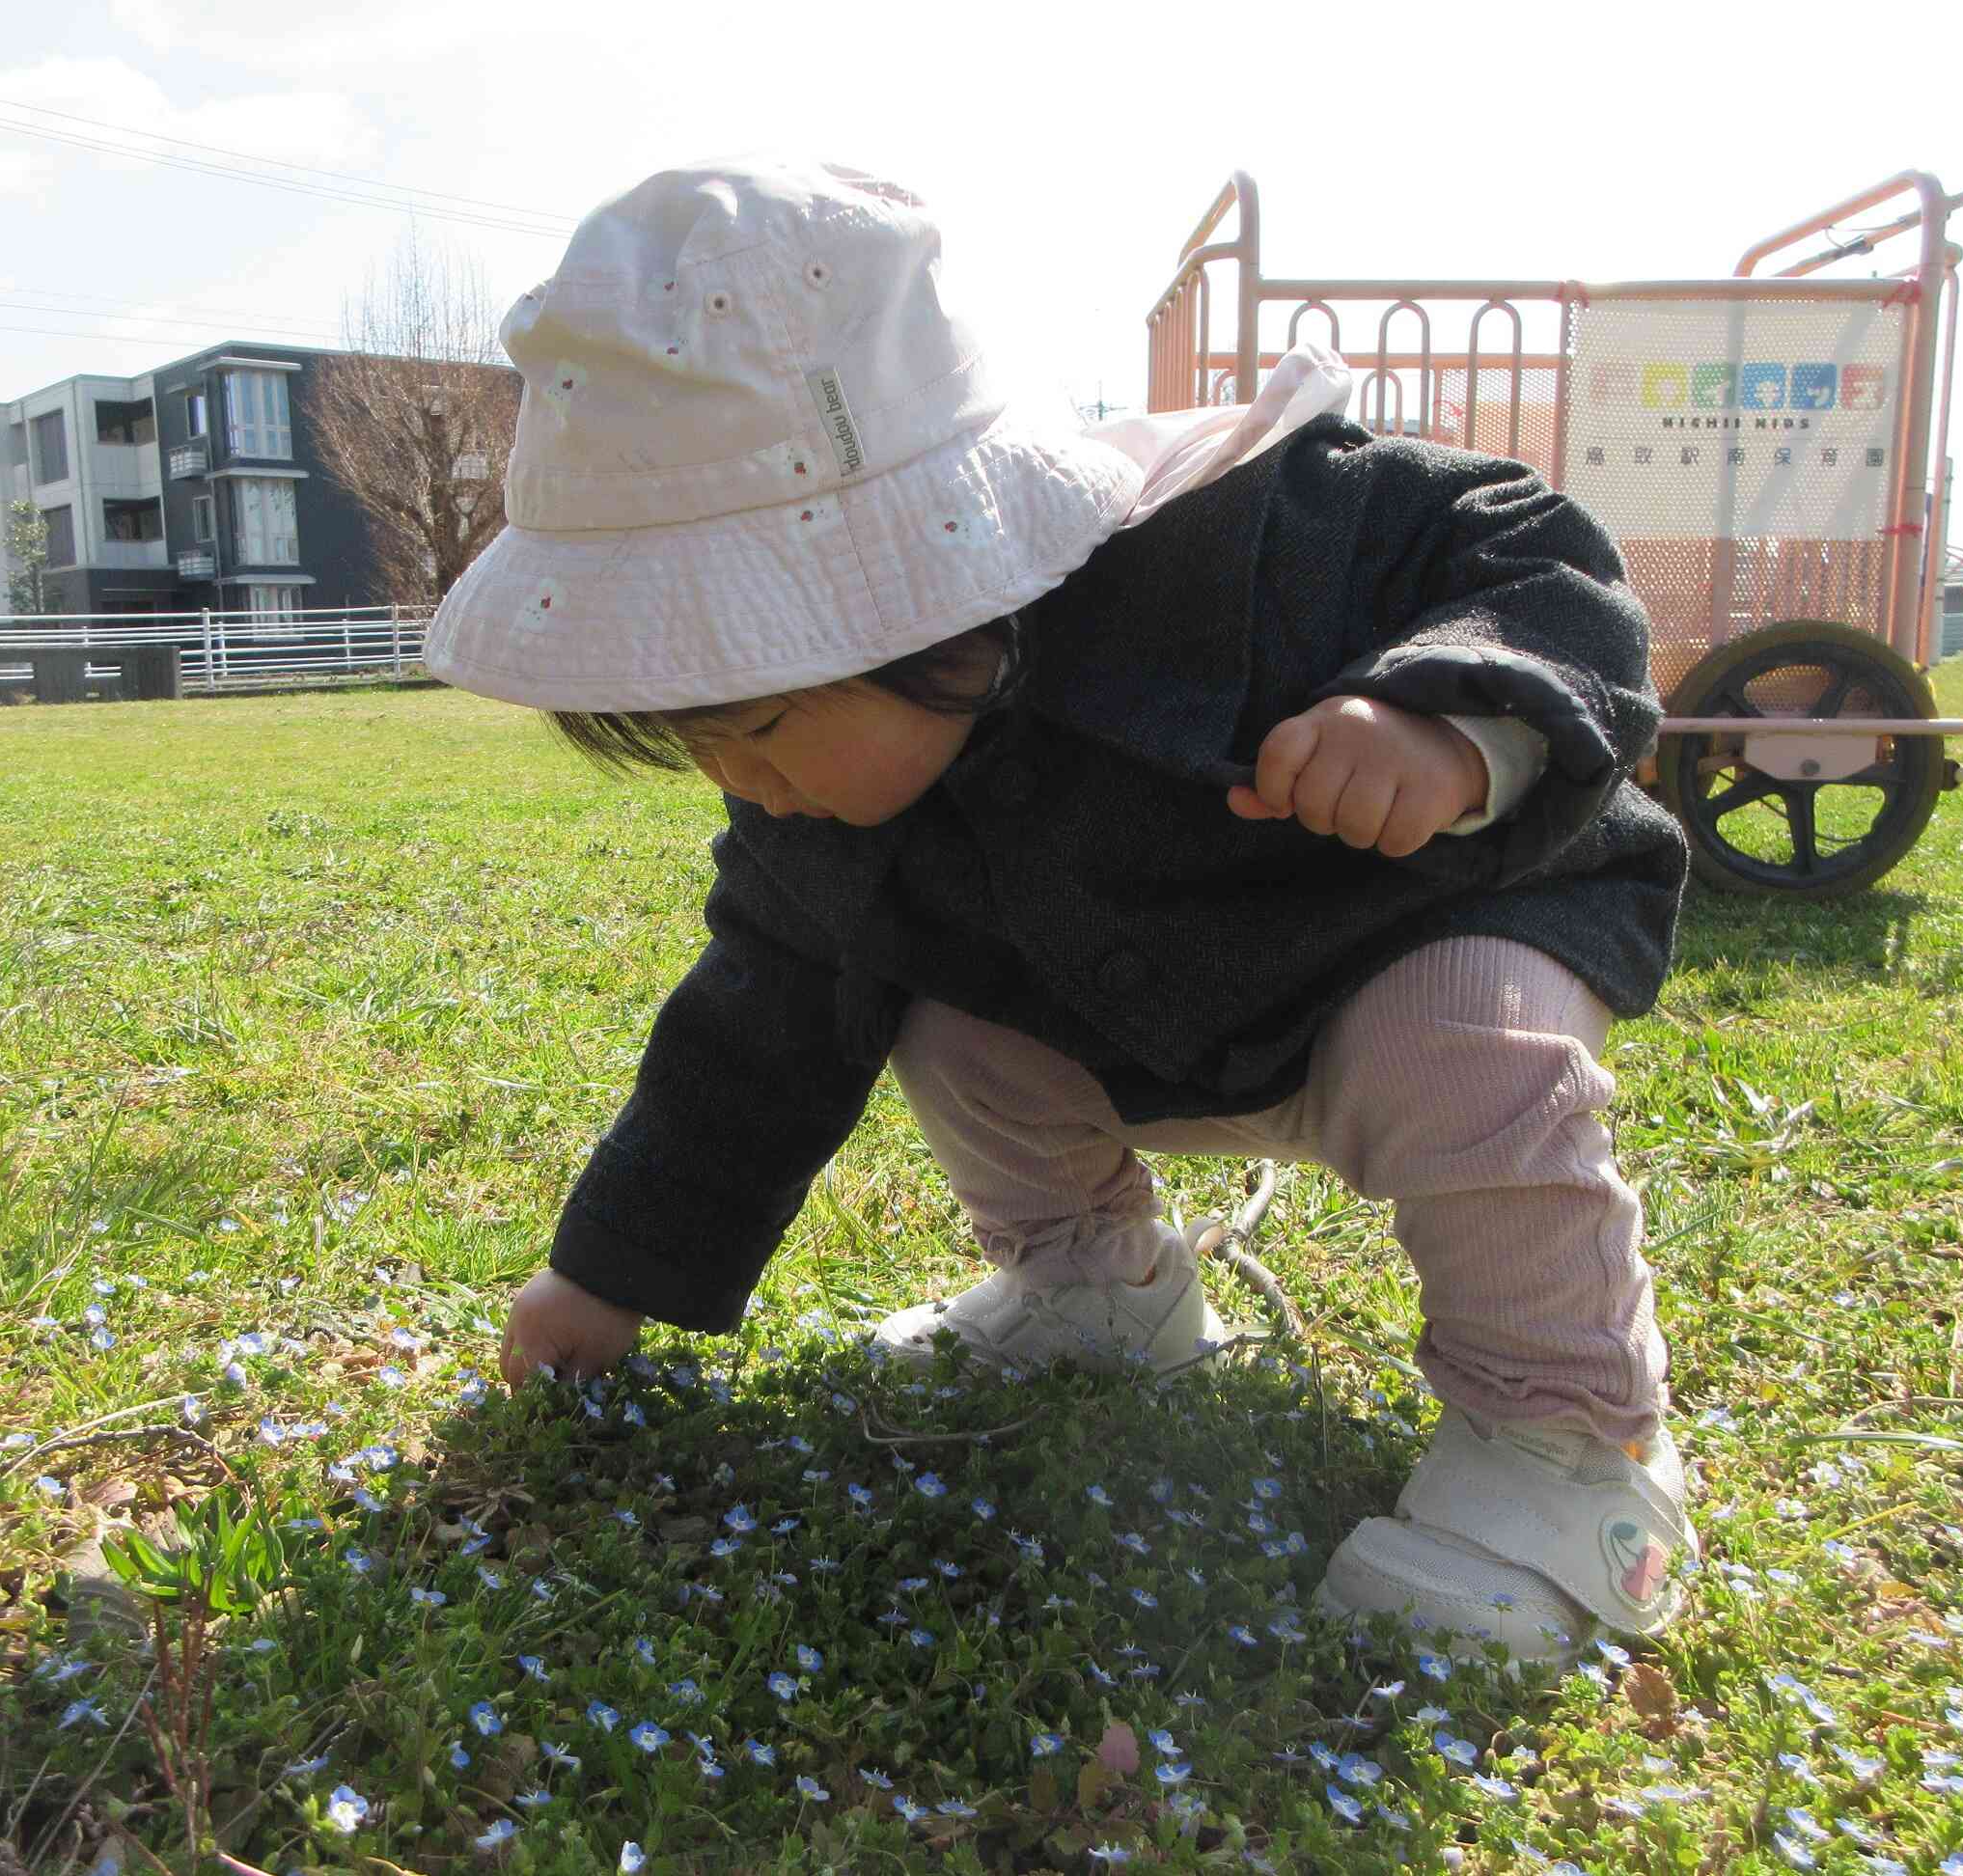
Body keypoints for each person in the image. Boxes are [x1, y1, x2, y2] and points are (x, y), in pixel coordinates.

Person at [425, 160, 1694, 1662]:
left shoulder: (1255, 535)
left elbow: (1533, 548)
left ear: (912, 601)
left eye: (757, 727)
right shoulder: (822, 828)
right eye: (704, 752)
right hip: (1140, 1024)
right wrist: (607, 1275)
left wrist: (1452, 721)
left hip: (1413, 935)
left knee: (1465, 1050)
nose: (748, 787)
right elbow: (748, 1045)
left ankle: (1572, 1452)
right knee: (943, 1015)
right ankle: (1094, 1285)